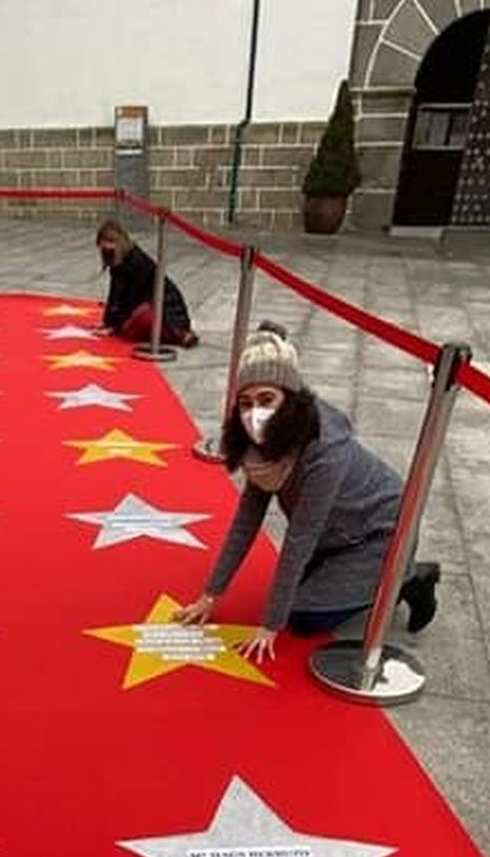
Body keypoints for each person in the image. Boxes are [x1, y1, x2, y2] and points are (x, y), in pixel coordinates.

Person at [176, 326, 439, 661]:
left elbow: (300, 537)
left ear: (289, 397)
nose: (254, 413)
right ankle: (352, 573)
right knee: (293, 591)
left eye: (266, 399)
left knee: (301, 617)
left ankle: (409, 576)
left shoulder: (324, 449)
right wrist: (210, 595)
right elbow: (247, 518)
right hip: (336, 534)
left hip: (381, 534)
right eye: (246, 402)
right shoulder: (261, 445)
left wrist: (269, 626)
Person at [96, 217, 198, 346]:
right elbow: (115, 294)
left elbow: (131, 299)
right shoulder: (118, 263)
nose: (107, 250)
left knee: (138, 320)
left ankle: (180, 334)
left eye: (111, 244)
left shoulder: (137, 262)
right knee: (130, 326)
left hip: (166, 308)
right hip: (147, 305)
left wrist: (115, 326)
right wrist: (108, 322)